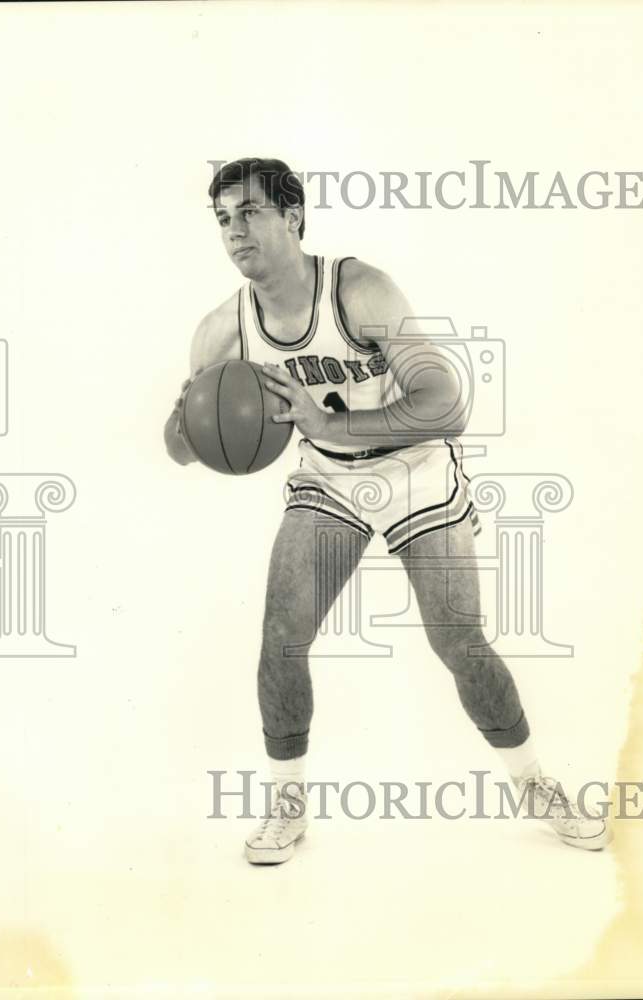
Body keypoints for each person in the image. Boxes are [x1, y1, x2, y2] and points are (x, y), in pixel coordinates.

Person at [164, 157, 609, 863]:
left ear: (293, 217)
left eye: (249, 212)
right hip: (329, 483)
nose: (234, 231)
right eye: (222, 219)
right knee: (282, 634)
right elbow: (181, 449)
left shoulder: (361, 291)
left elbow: (447, 406)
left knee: (457, 643)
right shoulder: (221, 331)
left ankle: (533, 783)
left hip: (414, 473)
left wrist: (327, 424)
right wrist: (194, 418)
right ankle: (287, 801)